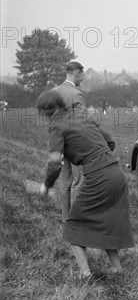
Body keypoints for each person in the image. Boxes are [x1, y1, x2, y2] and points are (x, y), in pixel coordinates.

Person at [36, 90, 134, 278]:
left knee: (73, 224)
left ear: (47, 111)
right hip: (116, 171)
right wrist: (91, 153)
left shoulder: (57, 126)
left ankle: (85, 273)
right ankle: (116, 267)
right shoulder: (80, 116)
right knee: (108, 220)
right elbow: (110, 142)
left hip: (99, 177)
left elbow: (55, 162)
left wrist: (46, 186)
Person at [50, 61, 87, 223]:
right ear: (77, 73)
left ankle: (66, 221)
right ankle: (77, 221)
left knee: (64, 183)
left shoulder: (53, 92)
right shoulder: (76, 94)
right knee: (78, 181)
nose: (82, 80)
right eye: (81, 76)